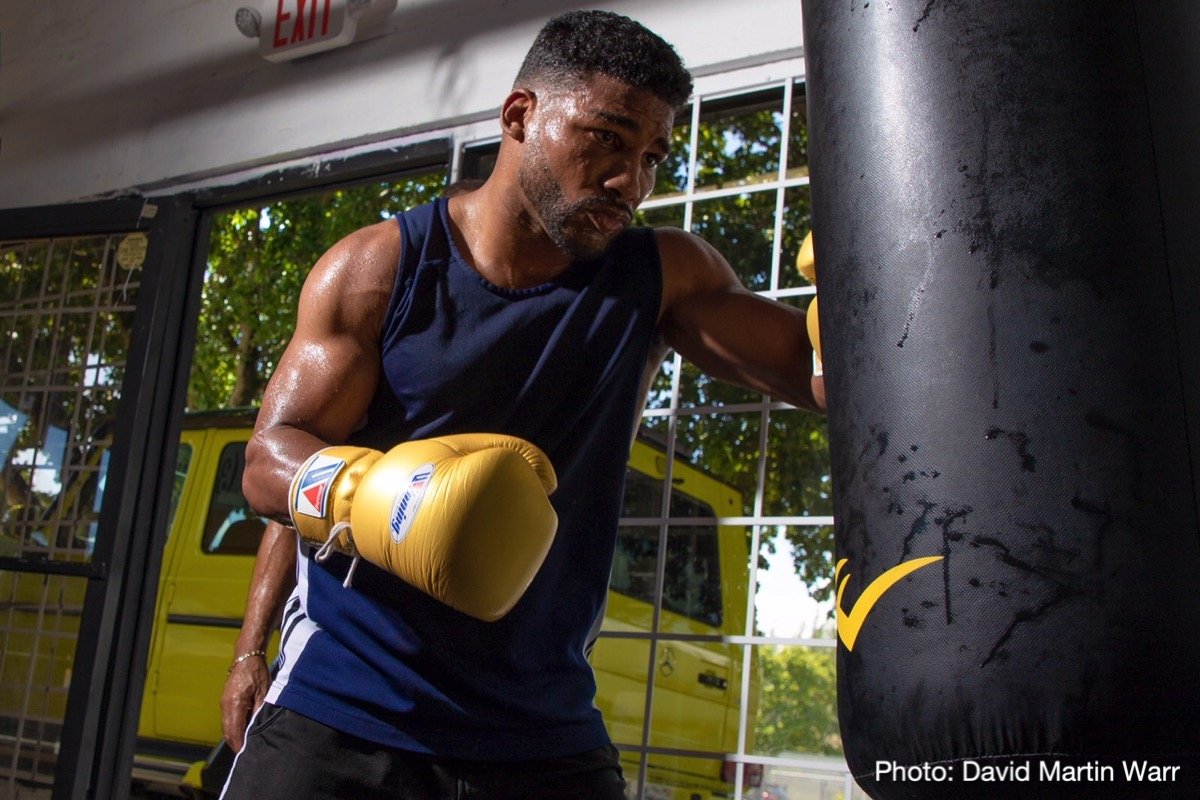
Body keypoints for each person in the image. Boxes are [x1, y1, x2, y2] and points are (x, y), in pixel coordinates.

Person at [222, 9, 824, 799]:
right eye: (606, 138)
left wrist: (875, 276)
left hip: (541, 728)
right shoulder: (379, 270)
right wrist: (258, 636)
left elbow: (817, 380)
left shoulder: (662, 275)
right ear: (520, 115)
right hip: (343, 709)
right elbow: (272, 464)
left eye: (651, 157)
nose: (629, 182)